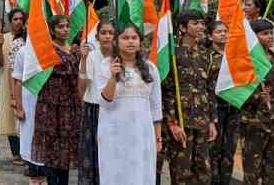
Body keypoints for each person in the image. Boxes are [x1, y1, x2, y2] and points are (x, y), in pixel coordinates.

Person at [96, 24, 163, 185]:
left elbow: (155, 105)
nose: (131, 41)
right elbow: (105, 100)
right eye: (125, 38)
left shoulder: (150, 68)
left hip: (142, 133)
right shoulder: (106, 65)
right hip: (114, 132)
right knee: (115, 173)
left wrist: (158, 136)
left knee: (141, 173)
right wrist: (113, 76)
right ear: (116, 42)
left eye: (134, 38)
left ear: (140, 41)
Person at [162, 10, 218, 185]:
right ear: (182, 27)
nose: (201, 26)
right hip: (181, 123)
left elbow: (209, 89)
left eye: (202, 23)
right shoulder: (172, 54)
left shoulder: (206, 55)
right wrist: (172, 123)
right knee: (181, 172)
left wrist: (211, 121)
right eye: (195, 23)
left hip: (202, 122)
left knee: (203, 172)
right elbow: (166, 91)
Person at [31, 15, 83, 185]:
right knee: (51, 148)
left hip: (70, 104)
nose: (65, 29)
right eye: (60, 27)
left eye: (67, 26)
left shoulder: (76, 50)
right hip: (50, 104)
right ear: (52, 30)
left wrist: (85, 57)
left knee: (66, 149)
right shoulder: (46, 50)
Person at [241, 19, 274, 185]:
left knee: (273, 170)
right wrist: (256, 98)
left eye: (271, 33)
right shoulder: (246, 62)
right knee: (252, 172)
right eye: (264, 33)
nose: (270, 36)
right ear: (254, 37)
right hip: (254, 125)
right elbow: (237, 93)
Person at [77, 21, 116, 185]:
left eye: (111, 33)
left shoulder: (120, 57)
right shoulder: (91, 57)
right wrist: (84, 60)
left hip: (114, 111)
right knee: (92, 154)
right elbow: (81, 90)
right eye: (104, 33)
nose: (107, 36)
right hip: (94, 110)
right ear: (97, 36)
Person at [204, 21, 236, 185]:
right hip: (215, 109)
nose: (223, 34)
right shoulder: (206, 56)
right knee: (213, 150)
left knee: (229, 149)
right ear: (210, 36)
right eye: (218, 32)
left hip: (233, 108)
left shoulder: (234, 56)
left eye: (225, 31)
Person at [12, 33, 45, 185]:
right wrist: (18, 106)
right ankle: (33, 175)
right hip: (28, 102)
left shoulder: (50, 52)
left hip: (47, 105)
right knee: (29, 138)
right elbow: (17, 80)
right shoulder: (23, 52)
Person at [0, 8, 26, 166]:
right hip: (7, 82)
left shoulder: (28, 38)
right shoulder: (3, 38)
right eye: (15, 19)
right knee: (9, 117)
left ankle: (26, 152)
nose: (18, 22)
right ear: (10, 21)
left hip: (24, 84)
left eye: (21, 19)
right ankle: (16, 152)